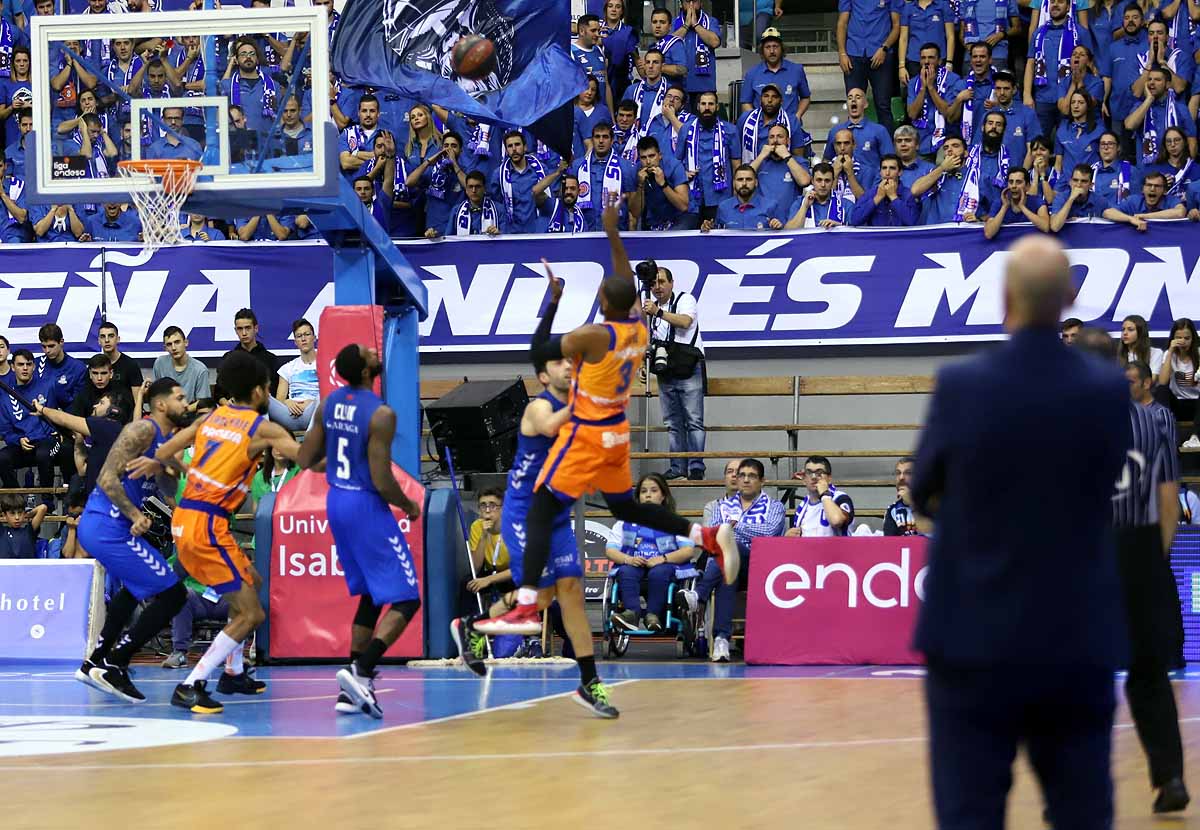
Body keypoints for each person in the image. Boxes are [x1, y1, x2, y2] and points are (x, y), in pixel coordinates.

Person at [474, 195, 739, 714]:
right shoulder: (637, 330)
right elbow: (621, 292)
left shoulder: (588, 341)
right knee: (623, 509)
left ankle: (525, 611)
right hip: (610, 436)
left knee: (554, 528)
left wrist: (553, 306)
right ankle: (703, 535)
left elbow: (547, 347)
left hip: (588, 437)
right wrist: (613, 232)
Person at [911, 234, 1131, 829]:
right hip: (1075, 634)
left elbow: (920, 487)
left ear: (1004, 297)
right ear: (1069, 297)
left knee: (969, 813)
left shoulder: (961, 383)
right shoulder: (1108, 389)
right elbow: (1104, 478)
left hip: (973, 636)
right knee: (1082, 811)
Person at [136, 352, 301, 714]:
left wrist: (183, 471)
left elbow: (163, 450)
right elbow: (310, 459)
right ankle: (191, 683)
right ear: (261, 391)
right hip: (206, 526)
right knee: (251, 614)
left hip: (191, 520)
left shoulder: (210, 417)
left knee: (252, 580)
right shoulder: (261, 427)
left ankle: (234, 671)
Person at [294, 345, 422, 719]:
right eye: (368, 352)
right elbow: (382, 478)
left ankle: (352, 693)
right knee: (407, 599)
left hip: (337, 502)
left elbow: (304, 459)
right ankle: (362, 669)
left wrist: (337, 464)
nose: (373, 351)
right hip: (366, 505)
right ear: (367, 371)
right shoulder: (381, 414)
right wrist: (409, 504)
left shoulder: (329, 403)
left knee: (370, 595)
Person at [72, 379, 191, 704]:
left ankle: (94, 662)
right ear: (162, 404)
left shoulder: (164, 440)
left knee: (132, 588)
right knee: (173, 593)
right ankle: (116, 662)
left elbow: (168, 486)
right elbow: (106, 478)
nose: (186, 402)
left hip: (113, 528)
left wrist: (171, 464)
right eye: (180, 398)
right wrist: (135, 513)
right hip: (107, 524)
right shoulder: (141, 430)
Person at [1117, 359, 1190, 814]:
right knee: (1149, 676)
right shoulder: (1151, 421)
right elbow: (1169, 494)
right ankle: (1171, 777)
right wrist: (1156, 555)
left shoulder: (1064, 420)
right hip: (1139, 546)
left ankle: (1072, 788)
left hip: (1085, 554)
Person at [699, 457, 785, 662]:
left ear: (762, 481)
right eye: (742, 475)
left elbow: (769, 533)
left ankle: (699, 594)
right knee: (728, 574)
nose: (746, 480)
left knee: (732, 548)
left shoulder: (774, 506)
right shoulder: (723, 506)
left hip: (762, 566)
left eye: (752, 476)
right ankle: (721, 640)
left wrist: (735, 527)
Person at [605, 473, 696, 633]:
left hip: (665, 567)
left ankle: (652, 615)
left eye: (654, 490)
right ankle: (631, 614)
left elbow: (688, 551)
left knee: (659, 572)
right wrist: (628, 559)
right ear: (638, 497)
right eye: (643, 491)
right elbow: (610, 550)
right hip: (634, 564)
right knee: (626, 570)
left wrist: (663, 558)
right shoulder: (623, 523)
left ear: (663, 496)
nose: (648, 495)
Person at [643, 265, 705, 481]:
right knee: (672, 422)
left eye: (661, 282)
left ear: (671, 282)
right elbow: (651, 342)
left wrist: (658, 312)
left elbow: (685, 322)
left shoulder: (685, 299)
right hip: (666, 369)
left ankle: (696, 466)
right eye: (653, 283)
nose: (657, 287)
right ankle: (677, 466)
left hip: (687, 365)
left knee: (693, 420)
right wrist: (646, 365)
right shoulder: (651, 311)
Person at [0, 349, 65, 501]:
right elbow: (5, 429)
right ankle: (17, 502)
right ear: (13, 366)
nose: (25, 368)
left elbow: (68, 408)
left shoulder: (49, 385)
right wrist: (18, 440)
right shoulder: (4, 393)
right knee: (1, 458)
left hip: (47, 440)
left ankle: (47, 503)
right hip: (22, 443)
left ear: (34, 367)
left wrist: (62, 431)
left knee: (43, 455)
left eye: (28, 364)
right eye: (20, 364)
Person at [836, 0, 900, 132]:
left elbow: (897, 25)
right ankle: (855, 147)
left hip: (881, 55)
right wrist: (842, 53)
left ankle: (887, 150)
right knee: (854, 105)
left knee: (883, 105)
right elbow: (842, 23)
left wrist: (884, 48)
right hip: (854, 54)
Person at [905, 43, 968, 157]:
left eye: (931, 58)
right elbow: (912, 114)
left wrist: (931, 88)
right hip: (922, 141)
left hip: (946, 140)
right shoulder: (914, 83)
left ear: (939, 61)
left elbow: (948, 113)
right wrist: (923, 88)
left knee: (941, 162)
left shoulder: (953, 80)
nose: (926, 62)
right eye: (923, 58)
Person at [215, 308, 278, 403]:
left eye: (248, 328)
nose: (244, 333)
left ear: (256, 328)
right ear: (235, 330)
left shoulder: (270, 359)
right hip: (234, 408)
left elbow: (275, 391)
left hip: (263, 406)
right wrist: (227, 404)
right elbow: (219, 393)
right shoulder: (228, 358)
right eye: (240, 329)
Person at [632, 135, 691, 230]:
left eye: (651, 156)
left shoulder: (674, 166)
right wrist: (640, 186)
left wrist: (663, 184)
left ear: (660, 155)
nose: (648, 161)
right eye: (643, 157)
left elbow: (683, 206)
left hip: (682, 216)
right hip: (656, 219)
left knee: (672, 238)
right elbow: (635, 213)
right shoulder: (637, 171)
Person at [786, 455, 855, 537]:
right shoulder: (802, 507)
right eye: (809, 473)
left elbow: (836, 521)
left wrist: (825, 494)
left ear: (829, 478)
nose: (814, 477)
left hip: (836, 549)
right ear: (804, 479)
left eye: (819, 473)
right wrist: (788, 538)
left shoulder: (840, 498)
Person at [269, 317, 319, 431]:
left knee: (324, 398)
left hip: (316, 413)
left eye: (307, 334)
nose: (303, 339)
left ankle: (310, 439)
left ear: (314, 338)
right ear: (295, 342)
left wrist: (313, 402)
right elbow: (280, 399)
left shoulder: (327, 364)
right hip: (290, 414)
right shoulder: (287, 368)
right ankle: (265, 442)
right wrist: (287, 402)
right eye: (299, 336)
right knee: (263, 397)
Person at [705, 164, 783, 230]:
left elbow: (782, 236)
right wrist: (708, 228)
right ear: (734, 183)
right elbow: (717, 236)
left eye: (749, 179)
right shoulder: (724, 207)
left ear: (756, 183)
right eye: (740, 179)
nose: (744, 183)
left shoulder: (771, 206)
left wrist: (778, 227)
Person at [850, 154, 920, 226]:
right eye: (884, 168)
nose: (887, 173)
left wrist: (894, 197)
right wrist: (877, 198)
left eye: (892, 168)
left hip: (900, 237)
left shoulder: (907, 194)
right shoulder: (870, 194)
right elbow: (855, 220)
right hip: (877, 237)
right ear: (880, 172)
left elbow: (913, 222)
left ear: (900, 172)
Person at [981, 167, 1051, 238]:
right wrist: (1004, 207)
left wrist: (1022, 207)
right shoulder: (999, 203)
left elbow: (1045, 227)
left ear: (1027, 186)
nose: (1014, 186)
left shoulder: (1037, 201)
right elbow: (988, 234)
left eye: (1018, 182)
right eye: (1011, 182)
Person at [1103, 170, 1186, 229]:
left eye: (1157, 186)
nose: (1152, 189)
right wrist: (1131, 219)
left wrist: (1143, 217)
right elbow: (1107, 213)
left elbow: (1180, 212)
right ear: (1142, 189)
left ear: (1164, 191)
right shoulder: (1133, 201)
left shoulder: (1171, 200)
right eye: (1149, 185)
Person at [1154, 319, 1199, 423]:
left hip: (1197, 401)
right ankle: (1163, 426)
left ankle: (1196, 436)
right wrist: (1170, 351)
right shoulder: (1169, 355)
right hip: (1178, 402)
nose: (1183, 341)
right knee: (1161, 390)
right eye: (1179, 338)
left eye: (1187, 338)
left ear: (1193, 339)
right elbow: (1162, 382)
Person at [899, 0, 956, 83]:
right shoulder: (908, 8)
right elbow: (903, 38)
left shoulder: (943, 5)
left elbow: (950, 36)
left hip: (938, 60)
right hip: (915, 60)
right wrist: (901, 66)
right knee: (916, 93)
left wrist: (949, 62)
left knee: (940, 93)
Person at [97, 321, 145, 416]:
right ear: (99, 341)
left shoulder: (131, 365)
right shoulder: (95, 366)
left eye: (111, 336)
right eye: (103, 337)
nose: (107, 340)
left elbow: (138, 402)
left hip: (127, 419)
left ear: (118, 339)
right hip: (101, 418)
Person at [153, 326, 210, 406]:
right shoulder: (159, 363)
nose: (173, 348)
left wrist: (181, 411)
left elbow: (203, 403)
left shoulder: (200, 370)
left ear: (186, 342)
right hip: (165, 414)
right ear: (165, 348)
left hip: (190, 415)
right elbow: (157, 396)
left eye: (177, 342)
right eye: (169, 344)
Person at [784, 162, 847, 228]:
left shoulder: (845, 205)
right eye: (819, 180)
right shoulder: (799, 203)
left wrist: (838, 227)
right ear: (812, 181)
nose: (823, 185)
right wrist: (805, 207)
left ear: (833, 182)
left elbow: (854, 233)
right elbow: (789, 231)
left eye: (827, 180)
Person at [1049, 163, 1106, 230]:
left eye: (1084, 181)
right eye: (1075, 180)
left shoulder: (1098, 200)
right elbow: (1054, 227)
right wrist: (1071, 199)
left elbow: (1112, 212)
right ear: (1070, 182)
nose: (1078, 185)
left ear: (1091, 185)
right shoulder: (1061, 198)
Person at [0, 494, 46, 559]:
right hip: (5, 568)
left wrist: (27, 515)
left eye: (20, 513)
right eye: (12, 513)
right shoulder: (1, 531)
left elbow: (42, 508)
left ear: (24, 513)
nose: (17, 517)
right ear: (4, 515)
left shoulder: (29, 531)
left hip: (28, 568)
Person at [882, 456, 919, 536]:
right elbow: (889, 544)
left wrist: (913, 504)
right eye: (898, 473)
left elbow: (935, 538)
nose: (901, 477)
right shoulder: (892, 510)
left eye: (908, 473)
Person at [703, 459, 740, 526]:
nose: (734, 475)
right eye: (730, 471)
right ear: (724, 479)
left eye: (738, 472)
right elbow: (707, 534)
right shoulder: (712, 506)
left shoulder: (757, 506)